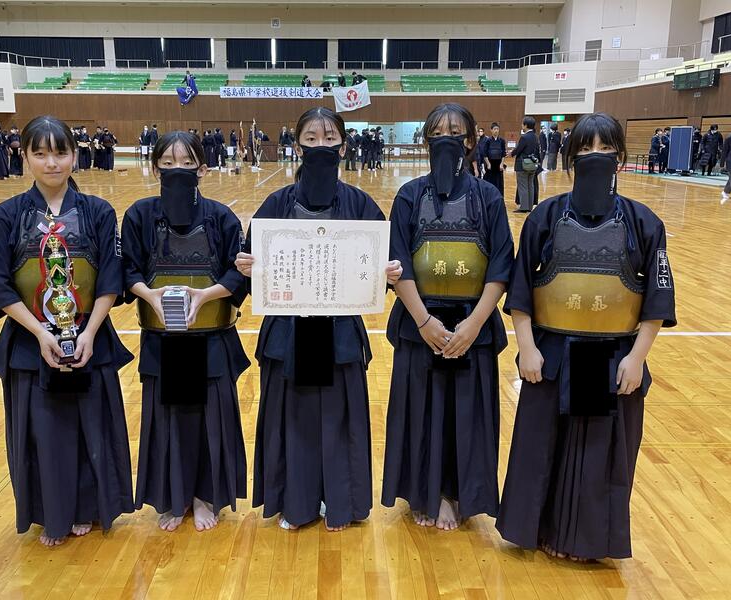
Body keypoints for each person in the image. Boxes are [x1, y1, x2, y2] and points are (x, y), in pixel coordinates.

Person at [496, 112, 677, 562]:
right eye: (585, 148)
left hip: (608, 355)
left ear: (620, 158)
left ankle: (581, 540)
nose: (595, 156)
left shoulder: (644, 222)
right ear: (571, 157)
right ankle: (537, 529)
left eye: (605, 148)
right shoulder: (545, 216)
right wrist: (526, 347)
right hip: (553, 351)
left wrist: (636, 357)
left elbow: (657, 301)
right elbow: (521, 290)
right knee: (542, 445)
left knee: (594, 452)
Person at [234, 107, 402, 532]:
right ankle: (296, 502)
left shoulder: (360, 204)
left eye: (329, 139)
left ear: (343, 147)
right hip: (289, 333)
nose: (320, 146)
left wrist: (386, 273)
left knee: (338, 419)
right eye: (311, 139)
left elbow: (379, 267)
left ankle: (340, 502)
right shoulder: (276, 204)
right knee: (294, 418)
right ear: (297, 146)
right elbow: (255, 270)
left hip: (339, 332)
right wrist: (247, 266)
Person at [0, 115, 135, 547]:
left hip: (89, 336)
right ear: (25, 157)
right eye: (41, 153)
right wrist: (40, 333)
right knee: (44, 432)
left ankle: (87, 509)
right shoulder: (5, 216)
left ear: (74, 156)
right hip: (31, 342)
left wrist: (89, 334)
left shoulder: (98, 212)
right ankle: (52, 513)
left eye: (60, 152)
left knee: (90, 427)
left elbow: (110, 279)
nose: (52, 163)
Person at [381, 103, 513, 531]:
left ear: (470, 141)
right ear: (426, 141)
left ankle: (457, 494)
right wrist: (423, 321)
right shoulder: (409, 196)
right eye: (437, 133)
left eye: (455, 132)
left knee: (466, 416)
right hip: (420, 325)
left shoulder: (488, 198)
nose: (446, 140)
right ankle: (426, 493)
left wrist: (474, 325)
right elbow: (397, 262)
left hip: (473, 326)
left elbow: (501, 265)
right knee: (420, 412)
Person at [123, 131, 249, 533]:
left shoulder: (221, 217)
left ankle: (204, 496)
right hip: (161, 341)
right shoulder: (139, 215)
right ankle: (173, 497)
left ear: (203, 169)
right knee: (168, 420)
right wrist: (150, 296)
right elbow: (128, 269)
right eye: (168, 163)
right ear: (155, 168)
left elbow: (237, 272)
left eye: (187, 163)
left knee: (211, 417)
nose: (177, 169)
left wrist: (206, 295)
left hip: (211, 339)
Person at [511, 116, 540, 213]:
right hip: (532, 164)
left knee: (523, 186)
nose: (521, 126)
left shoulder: (524, 137)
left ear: (526, 125)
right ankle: (529, 207)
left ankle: (523, 207)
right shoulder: (535, 137)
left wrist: (511, 153)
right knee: (530, 185)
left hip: (523, 165)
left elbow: (519, 149)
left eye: (522, 124)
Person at [483, 122, 507, 196]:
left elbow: (503, 154)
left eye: (497, 129)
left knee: (499, 182)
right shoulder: (487, 141)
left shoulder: (502, 141)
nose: (496, 131)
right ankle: (489, 196)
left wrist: (501, 164)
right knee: (490, 181)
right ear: (491, 130)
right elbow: (485, 153)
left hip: (499, 164)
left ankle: (499, 197)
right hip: (490, 164)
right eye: (494, 129)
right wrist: (488, 164)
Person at [721, 132, 731, 202]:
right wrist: (722, 163)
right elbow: (724, 151)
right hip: (730, 161)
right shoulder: (729, 138)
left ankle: (725, 191)